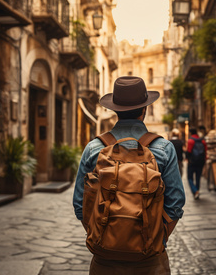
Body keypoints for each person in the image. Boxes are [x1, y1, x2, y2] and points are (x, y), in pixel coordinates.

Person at [73, 76, 186, 275]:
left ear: (115, 110)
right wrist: (156, 239)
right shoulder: (163, 148)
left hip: (104, 261)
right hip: (150, 261)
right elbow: (175, 204)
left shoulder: (94, 148)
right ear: (145, 109)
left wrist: (103, 236)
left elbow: (80, 205)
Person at [186, 127, 207, 200]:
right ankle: (197, 191)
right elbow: (205, 152)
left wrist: (188, 160)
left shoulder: (191, 141)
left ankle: (195, 191)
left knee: (190, 178)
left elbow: (188, 151)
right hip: (201, 162)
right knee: (198, 177)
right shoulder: (202, 141)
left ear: (191, 133)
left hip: (192, 162)